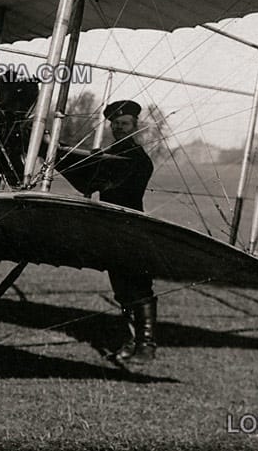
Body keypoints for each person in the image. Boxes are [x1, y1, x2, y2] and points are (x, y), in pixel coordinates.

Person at [54, 99, 158, 362]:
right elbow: (90, 177)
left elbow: (104, 176)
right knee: (122, 289)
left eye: (125, 124)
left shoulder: (137, 159)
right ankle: (131, 339)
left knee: (139, 286)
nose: (120, 128)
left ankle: (147, 344)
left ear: (135, 127)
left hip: (132, 227)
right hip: (112, 228)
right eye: (116, 124)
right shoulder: (110, 155)